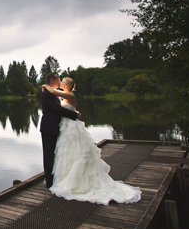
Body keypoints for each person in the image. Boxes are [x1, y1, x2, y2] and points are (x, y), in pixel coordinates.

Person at [42, 77, 141, 205]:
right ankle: (62, 178)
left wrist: (44, 85)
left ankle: (73, 181)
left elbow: (55, 93)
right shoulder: (63, 94)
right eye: (59, 80)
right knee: (66, 153)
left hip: (71, 127)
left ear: (68, 85)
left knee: (76, 151)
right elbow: (59, 107)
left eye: (63, 82)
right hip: (64, 127)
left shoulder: (69, 94)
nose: (60, 82)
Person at [40, 73, 80, 188]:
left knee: (55, 153)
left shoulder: (52, 92)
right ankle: (49, 181)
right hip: (49, 127)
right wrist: (74, 115)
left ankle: (55, 178)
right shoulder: (47, 93)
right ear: (52, 79)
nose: (59, 81)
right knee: (48, 154)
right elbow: (57, 109)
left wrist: (75, 114)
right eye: (58, 79)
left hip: (56, 126)